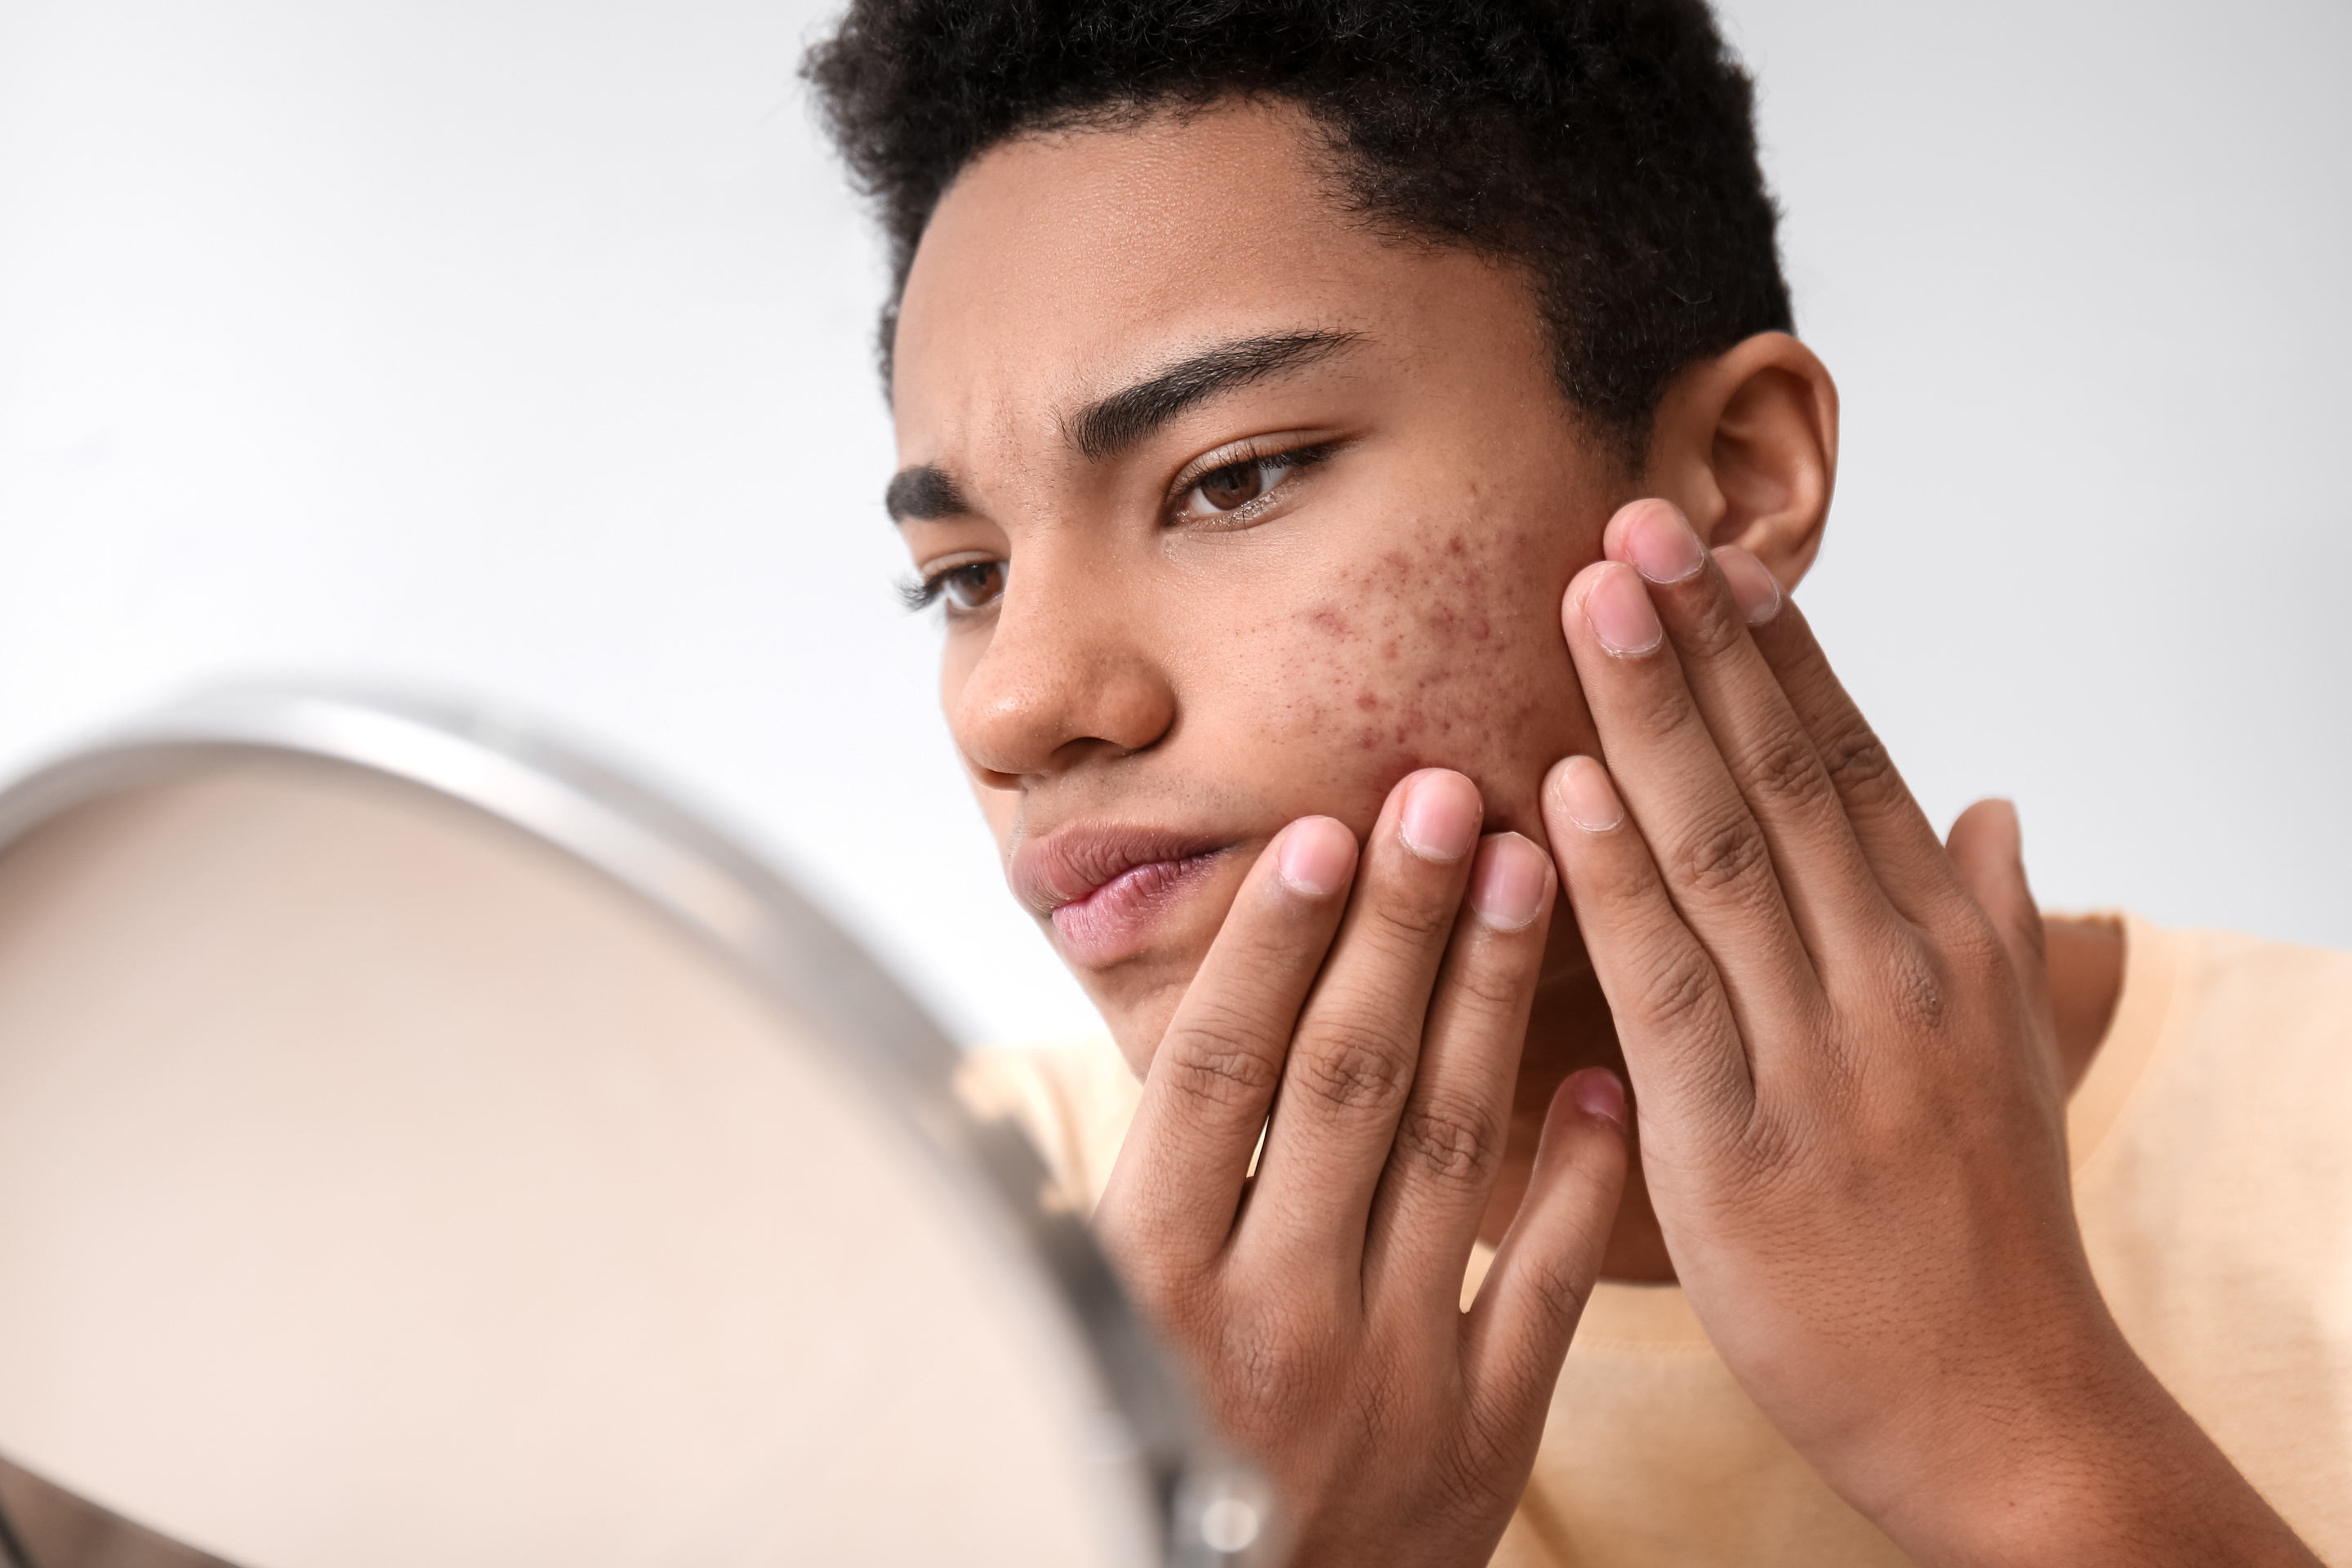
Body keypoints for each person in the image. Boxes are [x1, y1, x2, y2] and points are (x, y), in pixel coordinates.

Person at [803, 2, 2350, 1562]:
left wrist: (2032, 1438)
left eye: (1236, 477)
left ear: (1739, 473)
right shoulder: (871, 1271)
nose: (1016, 704)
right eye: (963, 577)